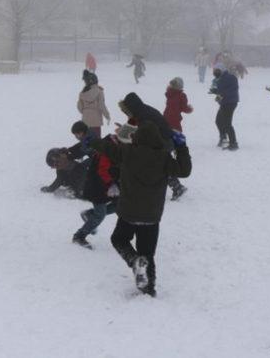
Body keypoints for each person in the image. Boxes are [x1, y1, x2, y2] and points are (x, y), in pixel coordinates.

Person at [91, 121, 192, 297]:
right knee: (148, 253)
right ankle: (148, 289)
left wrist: (91, 141)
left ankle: (134, 260)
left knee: (119, 239)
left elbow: (107, 149)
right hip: (151, 216)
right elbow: (184, 170)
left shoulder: (127, 152)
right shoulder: (164, 157)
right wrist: (181, 147)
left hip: (128, 213)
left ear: (137, 137)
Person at [70, 127, 120, 250]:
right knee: (100, 215)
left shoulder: (116, 145)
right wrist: (111, 185)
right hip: (97, 186)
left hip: (108, 184)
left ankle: (90, 214)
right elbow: (103, 170)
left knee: (119, 205)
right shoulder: (108, 148)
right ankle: (79, 236)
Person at [163, 77, 193, 199]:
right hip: (174, 125)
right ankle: (177, 185)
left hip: (165, 123)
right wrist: (189, 109)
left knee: (164, 157)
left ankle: (177, 186)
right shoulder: (181, 95)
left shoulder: (170, 94)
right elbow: (184, 108)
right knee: (168, 154)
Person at [209, 64, 239, 151]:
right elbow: (222, 91)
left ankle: (233, 143)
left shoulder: (230, 78)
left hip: (230, 103)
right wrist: (216, 92)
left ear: (221, 70)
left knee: (227, 123)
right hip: (225, 102)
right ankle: (223, 137)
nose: (215, 73)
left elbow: (230, 90)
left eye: (217, 71)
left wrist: (218, 92)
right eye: (214, 71)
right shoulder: (221, 78)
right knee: (218, 121)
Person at [77, 70, 111, 137]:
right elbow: (102, 105)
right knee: (96, 139)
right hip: (96, 120)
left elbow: (79, 107)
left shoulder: (82, 93)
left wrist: (86, 112)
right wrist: (107, 116)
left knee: (86, 139)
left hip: (85, 120)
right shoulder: (99, 91)